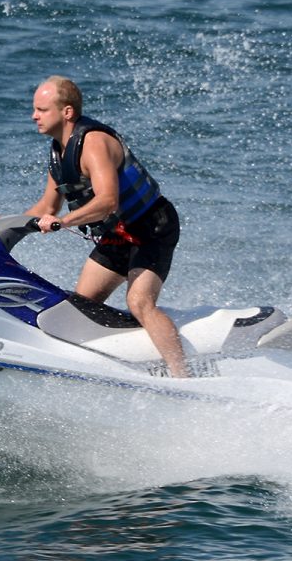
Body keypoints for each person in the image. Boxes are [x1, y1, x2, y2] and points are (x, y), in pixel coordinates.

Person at [23, 76, 189, 378]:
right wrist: (5, 225)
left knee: (139, 301)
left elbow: (108, 201)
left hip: (152, 226)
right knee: (81, 308)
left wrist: (65, 221)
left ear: (67, 112)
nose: (34, 116)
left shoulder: (94, 143)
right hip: (118, 234)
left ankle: (183, 377)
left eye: (42, 109)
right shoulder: (58, 152)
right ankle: (117, 362)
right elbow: (47, 207)